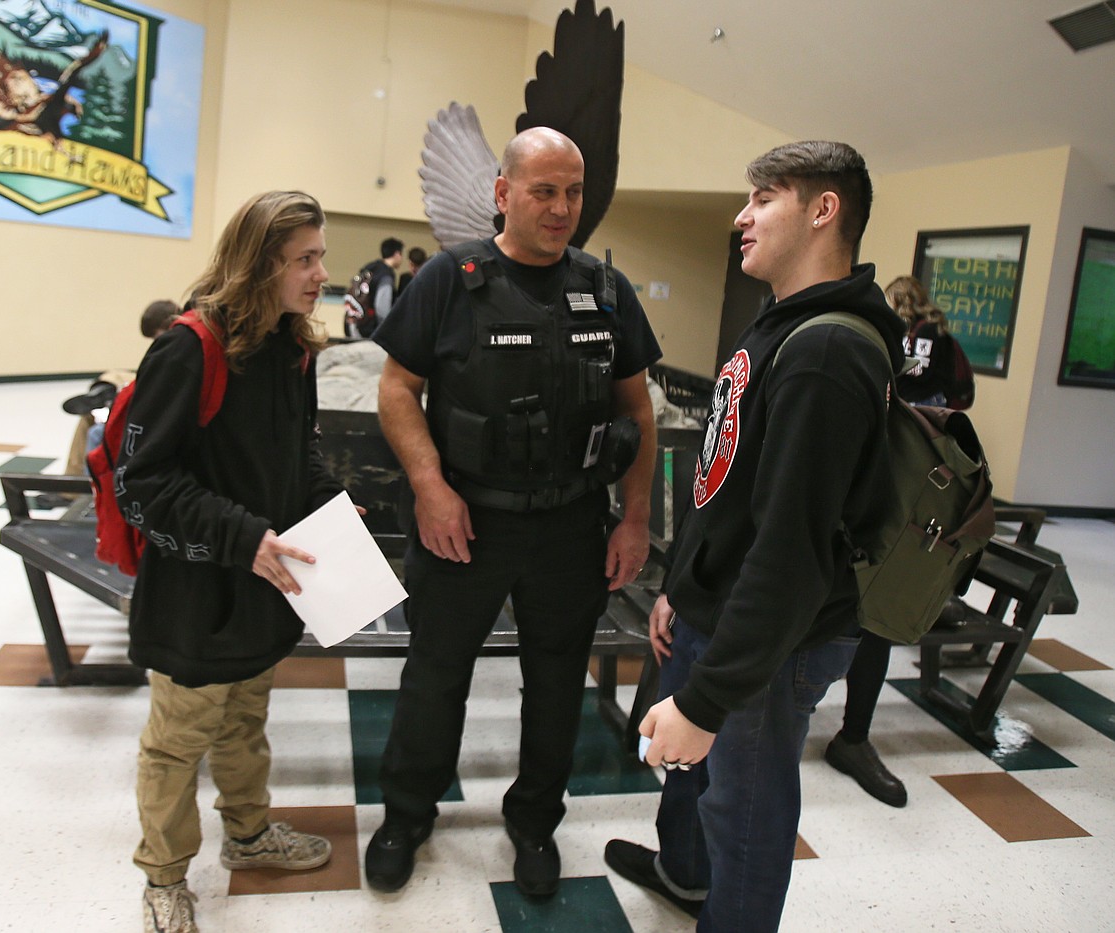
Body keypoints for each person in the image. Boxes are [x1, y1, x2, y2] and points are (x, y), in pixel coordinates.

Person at [605, 141, 905, 932]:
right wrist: (681, 585)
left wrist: (706, 700)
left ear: (822, 209)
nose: (741, 215)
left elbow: (792, 549)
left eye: (762, 197)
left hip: (778, 633)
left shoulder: (828, 350)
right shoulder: (780, 326)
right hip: (717, 601)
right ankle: (683, 874)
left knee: (745, 810)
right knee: (692, 784)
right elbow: (728, 483)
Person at [365, 126, 661, 899]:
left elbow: (640, 412)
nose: (562, 207)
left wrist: (634, 519)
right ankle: (405, 815)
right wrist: (430, 485)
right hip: (464, 519)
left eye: (574, 191)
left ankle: (534, 821)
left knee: (557, 682)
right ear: (503, 193)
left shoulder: (606, 288)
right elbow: (398, 387)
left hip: (570, 526)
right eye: (544, 190)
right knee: (435, 675)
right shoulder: (447, 278)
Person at [116, 191, 347, 933]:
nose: (321, 273)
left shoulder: (292, 348)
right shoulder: (190, 347)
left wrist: (328, 505)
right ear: (259, 264)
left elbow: (296, 451)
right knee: (178, 739)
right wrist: (243, 535)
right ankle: (164, 875)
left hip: (263, 584)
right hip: (197, 589)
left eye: (319, 256)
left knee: (246, 719)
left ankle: (248, 836)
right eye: (304, 259)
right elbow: (142, 480)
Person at [823, 272, 974, 808]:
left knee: (877, 620)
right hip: (856, 501)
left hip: (900, 491)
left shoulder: (875, 338)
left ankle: (854, 738)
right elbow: (963, 394)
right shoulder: (890, 340)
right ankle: (843, 733)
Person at [61, 299, 181, 475]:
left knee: (96, 430)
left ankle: (107, 393)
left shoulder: (179, 350)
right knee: (94, 408)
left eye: (157, 337)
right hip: (152, 394)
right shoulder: (174, 347)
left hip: (157, 408)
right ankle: (105, 392)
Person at [886, 274, 959, 406]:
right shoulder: (905, 328)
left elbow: (921, 371)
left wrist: (895, 365)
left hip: (923, 400)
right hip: (906, 398)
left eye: (890, 302)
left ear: (902, 302)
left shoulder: (927, 329)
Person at [346, 236, 404, 338]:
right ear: (397, 254)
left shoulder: (370, 268)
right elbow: (382, 308)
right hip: (370, 328)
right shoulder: (386, 276)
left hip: (355, 323)